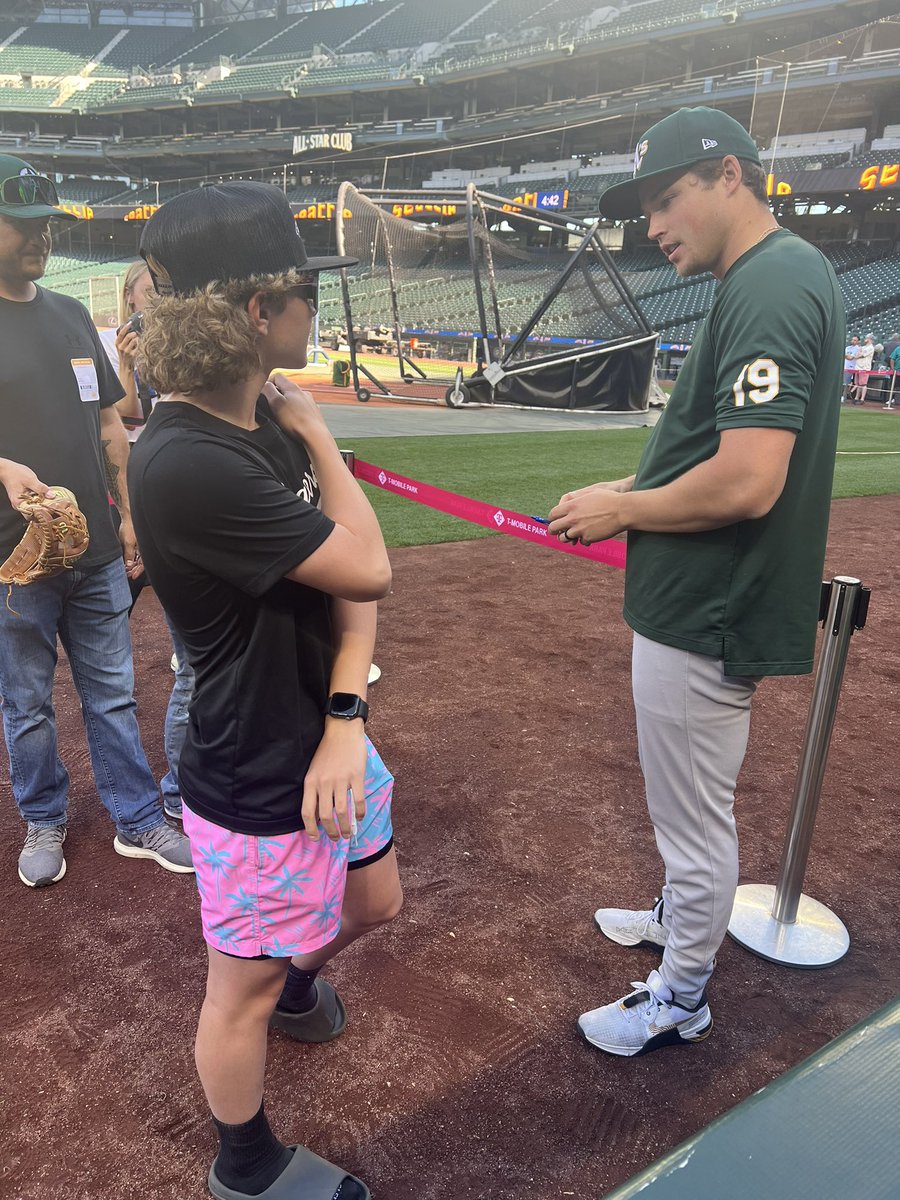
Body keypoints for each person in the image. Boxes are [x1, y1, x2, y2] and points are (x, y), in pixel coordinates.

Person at [549, 107, 844, 1057]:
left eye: (667, 198)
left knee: (692, 818)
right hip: (701, 598)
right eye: (643, 209)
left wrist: (625, 510)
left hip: (711, 607)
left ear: (730, 176)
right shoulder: (764, 275)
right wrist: (630, 486)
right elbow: (715, 452)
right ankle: (680, 918)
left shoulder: (770, 281)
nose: (654, 226)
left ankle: (680, 996)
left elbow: (750, 478)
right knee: (686, 810)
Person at [129, 181, 401, 1200]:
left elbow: (352, 595)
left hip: (324, 735)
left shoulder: (263, 428)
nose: (314, 310)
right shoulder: (188, 459)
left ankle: (297, 986)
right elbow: (368, 566)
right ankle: (245, 1165)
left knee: (374, 899)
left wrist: (344, 718)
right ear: (255, 312)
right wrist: (324, 440)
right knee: (234, 990)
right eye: (303, 291)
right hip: (251, 765)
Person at [0, 153, 193, 887]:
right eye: (21, 225)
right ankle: (42, 815)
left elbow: (111, 424)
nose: (39, 238)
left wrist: (131, 517)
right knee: (25, 704)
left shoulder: (72, 314)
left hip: (94, 550)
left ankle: (138, 819)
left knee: (111, 691)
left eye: (45, 224)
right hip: (11, 556)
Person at [99, 259, 194, 820]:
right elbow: (126, 413)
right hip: (141, 494)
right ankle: (177, 792)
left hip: (166, 492)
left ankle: (179, 788)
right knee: (117, 623)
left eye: (163, 288)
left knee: (192, 657)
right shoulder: (122, 349)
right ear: (130, 298)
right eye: (149, 291)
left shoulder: (183, 340)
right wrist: (131, 365)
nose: (157, 298)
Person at [850, 333, 875, 404]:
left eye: (866, 338)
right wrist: (858, 354)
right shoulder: (863, 347)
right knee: (858, 384)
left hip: (864, 368)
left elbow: (862, 355)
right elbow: (859, 353)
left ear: (869, 339)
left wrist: (854, 357)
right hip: (858, 366)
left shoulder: (870, 347)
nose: (865, 339)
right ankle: (856, 397)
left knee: (863, 384)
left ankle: (862, 399)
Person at [843, 335, 859, 403]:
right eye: (852, 339)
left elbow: (851, 358)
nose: (853, 341)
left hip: (851, 368)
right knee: (842, 383)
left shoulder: (857, 348)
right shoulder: (847, 348)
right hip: (844, 366)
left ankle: (843, 397)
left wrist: (846, 356)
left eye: (855, 340)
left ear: (858, 341)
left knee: (845, 383)